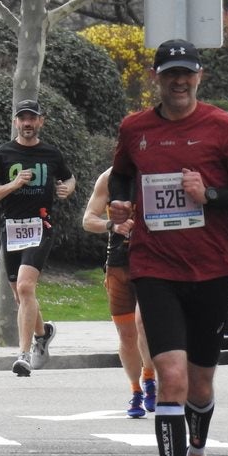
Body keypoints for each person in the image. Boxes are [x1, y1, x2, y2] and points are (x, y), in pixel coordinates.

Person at [108, 38, 228, 456]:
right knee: (172, 377)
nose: (179, 81)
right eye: (169, 74)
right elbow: (120, 178)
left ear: (199, 77)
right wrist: (119, 207)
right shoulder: (135, 129)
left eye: (187, 73)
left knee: (200, 385)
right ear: (156, 78)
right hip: (155, 267)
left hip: (212, 270)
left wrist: (212, 195)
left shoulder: (222, 127)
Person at [0, 99, 75, 377]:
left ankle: (23, 355)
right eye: (23, 118)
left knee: (24, 287)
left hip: (40, 226)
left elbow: (70, 178)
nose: (28, 123)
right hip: (11, 229)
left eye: (32, 118)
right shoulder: (3, 154)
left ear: (41, 121)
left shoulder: (51, 154)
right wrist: (14, 183)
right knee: (21, 295)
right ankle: (43, 334)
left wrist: (67, 188)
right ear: (15, 122)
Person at [82, 166, 158, 418]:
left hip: (151, 263)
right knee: (126, 335)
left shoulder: (156, 172)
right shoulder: (109, 178)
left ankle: (149, 376)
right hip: (117, 265)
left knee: (144, 323)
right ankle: (136, 390)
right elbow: (88, 220)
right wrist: (111, 226)